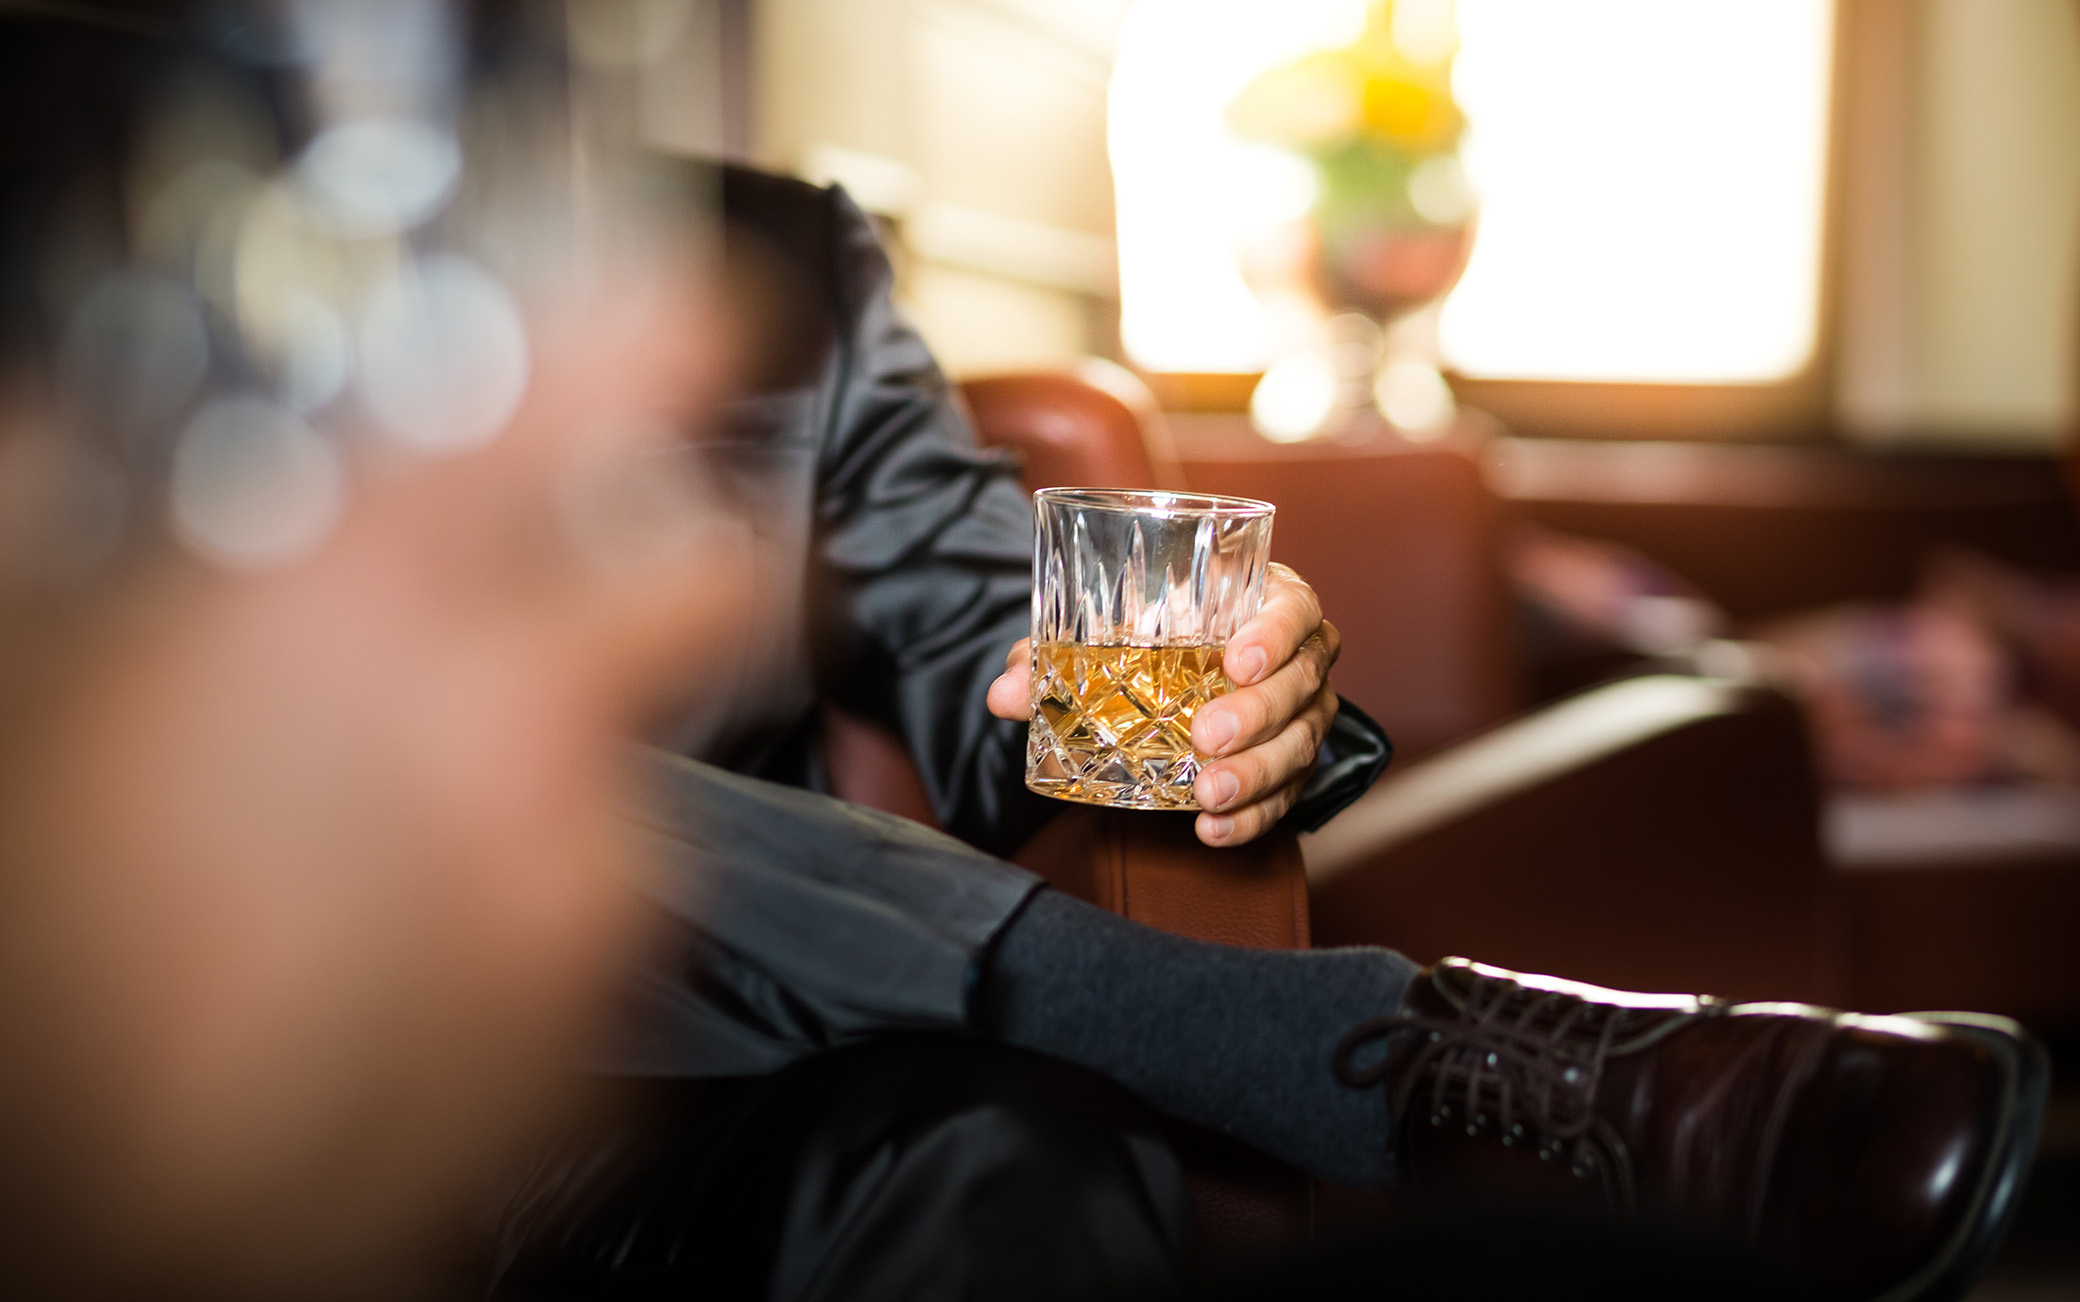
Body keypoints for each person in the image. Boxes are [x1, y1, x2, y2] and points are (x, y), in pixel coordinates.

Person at [0, 7, 2046, 1301]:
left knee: (1016, 1151)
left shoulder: (775, 272)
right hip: (131, 1095)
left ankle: (1233, 1033)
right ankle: (1408, 1056)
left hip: (681, 1114)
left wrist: (1251, 696)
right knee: (394, 749)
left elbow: (1027, 679)